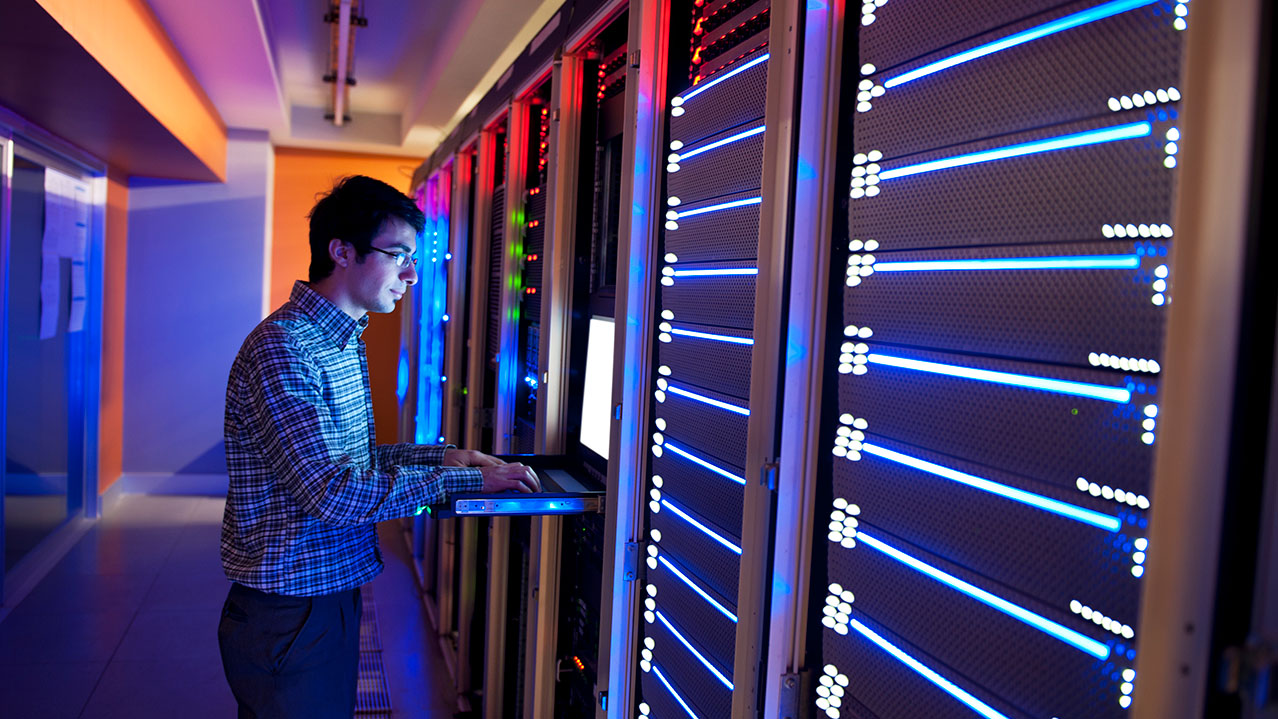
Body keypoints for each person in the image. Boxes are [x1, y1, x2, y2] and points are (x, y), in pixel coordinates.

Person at [217, 175, 539, 718]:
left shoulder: (339, 338)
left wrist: (444, 457)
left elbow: (350, 464)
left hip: (323, 592)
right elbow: (333, 494)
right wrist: (466, 482)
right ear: (341, 251)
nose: (411, 275)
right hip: (291, 609)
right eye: (397, 255)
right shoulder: (286, 349)